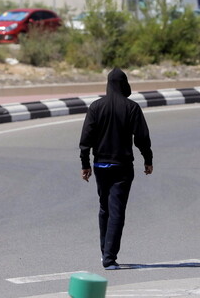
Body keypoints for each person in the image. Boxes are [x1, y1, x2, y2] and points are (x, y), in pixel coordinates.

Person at [79, 68, 153, 270]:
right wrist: (148, 159)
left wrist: (85, 163)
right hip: (122, 167)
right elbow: (142, 138)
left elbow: (86, 138)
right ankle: (109, 258)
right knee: (117, 210)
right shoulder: (132, 108)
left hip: (100, 166)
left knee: (105, 208)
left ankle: (105, 252)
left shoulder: (96, 107)